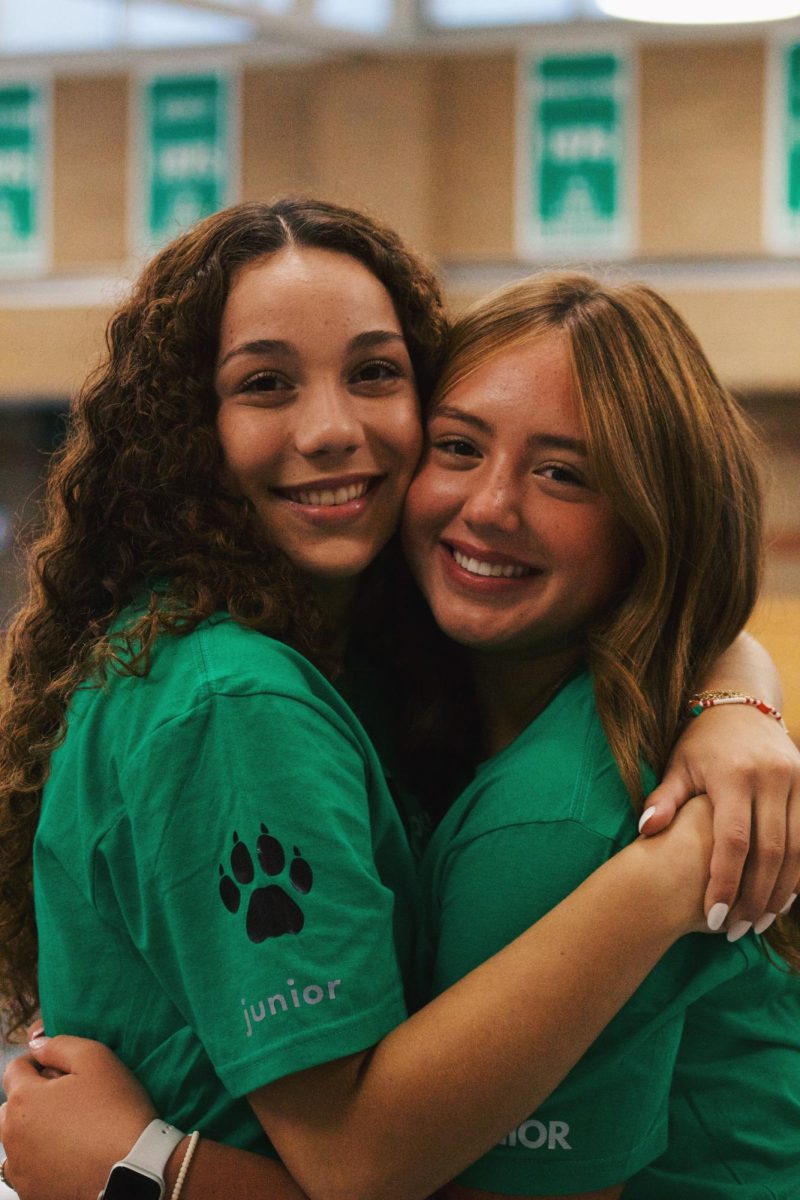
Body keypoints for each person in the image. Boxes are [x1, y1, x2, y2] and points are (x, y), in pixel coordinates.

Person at [0, 205, 797, 1200]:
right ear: (181, 426)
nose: (332, 430)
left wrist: (144, 1170)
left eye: (374, 373)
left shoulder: (481, 747)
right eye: (263, 384)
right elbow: (359, 1159)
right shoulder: (243, 697)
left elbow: (366, 1162)